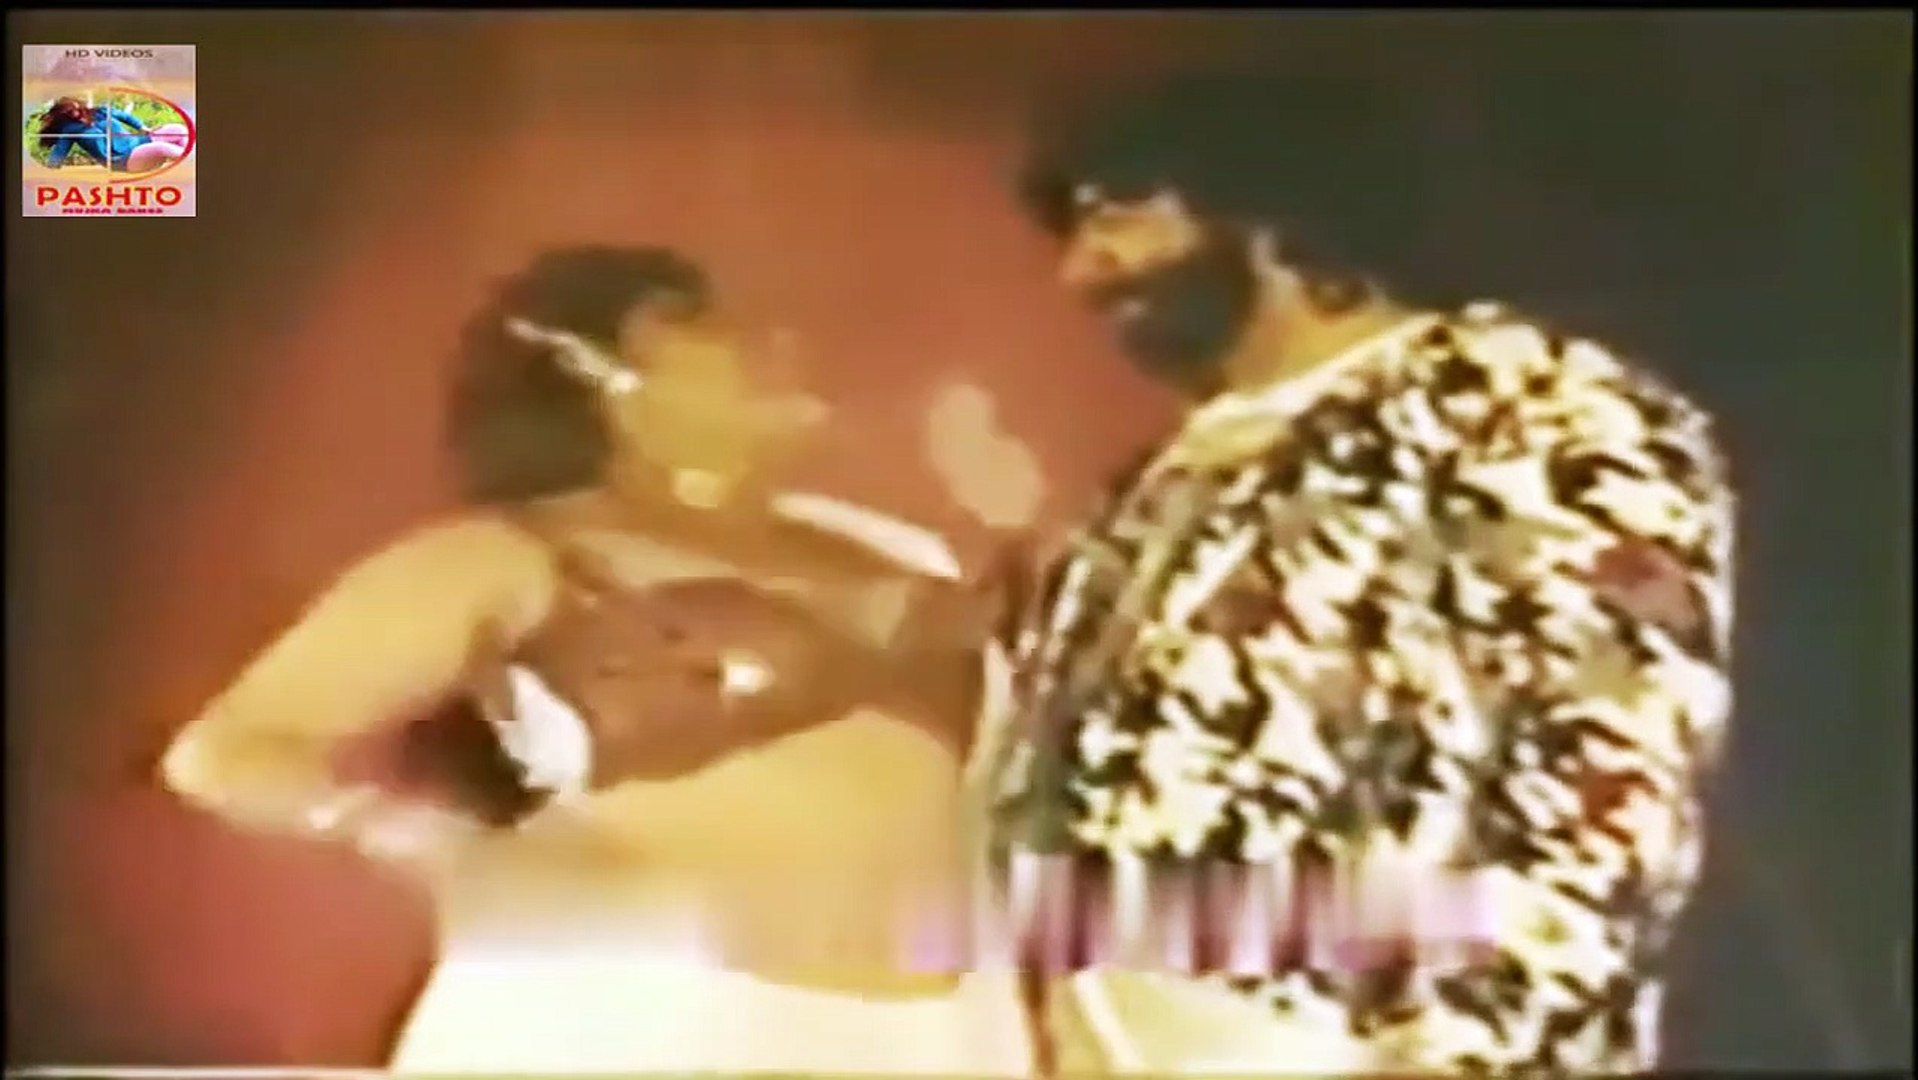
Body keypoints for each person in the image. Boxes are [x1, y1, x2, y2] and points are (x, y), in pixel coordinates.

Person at [978, 73, 1737, 1075]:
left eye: (1118, 211)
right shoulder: (1154, 486)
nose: (1085, 269)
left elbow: (1601, 785)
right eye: (1071, 225)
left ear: (1256, 194)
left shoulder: (1519, 403)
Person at [158, 245, 1031, 1075]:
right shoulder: (506, 555)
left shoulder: (903, 553)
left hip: (932, 1041)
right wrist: (413, 835)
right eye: (704, 329)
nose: (773, 344)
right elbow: (225, 751)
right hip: (638, 1026)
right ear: (604, 383)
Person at [36, 95, 188, 173]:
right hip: (124, 160)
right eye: (69, 113)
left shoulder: (100, 111)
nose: (75, 114)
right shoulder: (70, 130)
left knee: (178, 130)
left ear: (78, 104)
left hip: (139, 142)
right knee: (161, 147)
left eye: (75, 109)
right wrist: (49, 172)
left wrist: (144, 128)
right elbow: (59, 152)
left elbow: (125, 117)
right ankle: (192, 165)